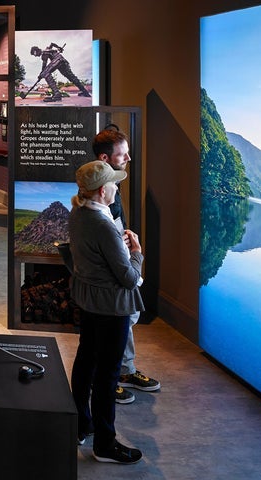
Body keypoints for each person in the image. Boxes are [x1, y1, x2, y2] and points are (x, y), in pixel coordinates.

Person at [68, 160, 144, 464]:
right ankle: (105, 444)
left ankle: (80, 423)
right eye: (114, 182)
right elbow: (128, 278)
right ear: (102, 191)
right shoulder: (103, 224)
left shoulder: (79, 212)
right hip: (112, 307)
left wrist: (117, 245)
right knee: (108, 375)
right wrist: (136, 251)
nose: (117, 186)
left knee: (86, 359)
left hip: (89, 302)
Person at [93, 126, 161, 404]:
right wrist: (132, 253)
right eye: (123, 154)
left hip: (117, 237)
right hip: (113, 252)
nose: (129, 159)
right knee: (122, 314)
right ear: (105, 159)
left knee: (128, 315)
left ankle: (123, 370)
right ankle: (113, 376)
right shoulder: (98, 195)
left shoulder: (108, 183)